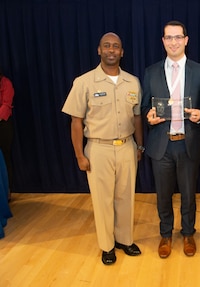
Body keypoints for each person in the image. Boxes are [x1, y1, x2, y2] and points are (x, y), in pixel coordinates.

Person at [62, 32, 144, 265]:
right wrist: (79, 154)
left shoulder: (133, 82)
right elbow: (76, 121)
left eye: (116, 46)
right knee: (102, 200)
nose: (111, 50)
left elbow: (137, 117)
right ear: (99, 50)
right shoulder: (84, 82)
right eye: (106, 46)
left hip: (127, 146)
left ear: (122, 52)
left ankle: (125, 240)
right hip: (98, 149)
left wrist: (140, 145)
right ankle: (107, 246)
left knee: (126, 197)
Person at [142, 20, 200, 258]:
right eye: (168, 38)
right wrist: (148, 117)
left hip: (188, 143)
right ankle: (165, 234)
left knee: (189, 194)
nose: (173, 42)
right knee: (163, 195)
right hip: (161, 145)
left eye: (178, 37)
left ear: (186, 40)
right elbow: (144, 108)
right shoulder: (150, 72)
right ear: (163, 41)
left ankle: (189, 233)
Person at [0, 69, 15, 200]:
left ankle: (7, 191)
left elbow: (6, 104)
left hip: (2, 125)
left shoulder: (5, 82)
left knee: (4, 158)